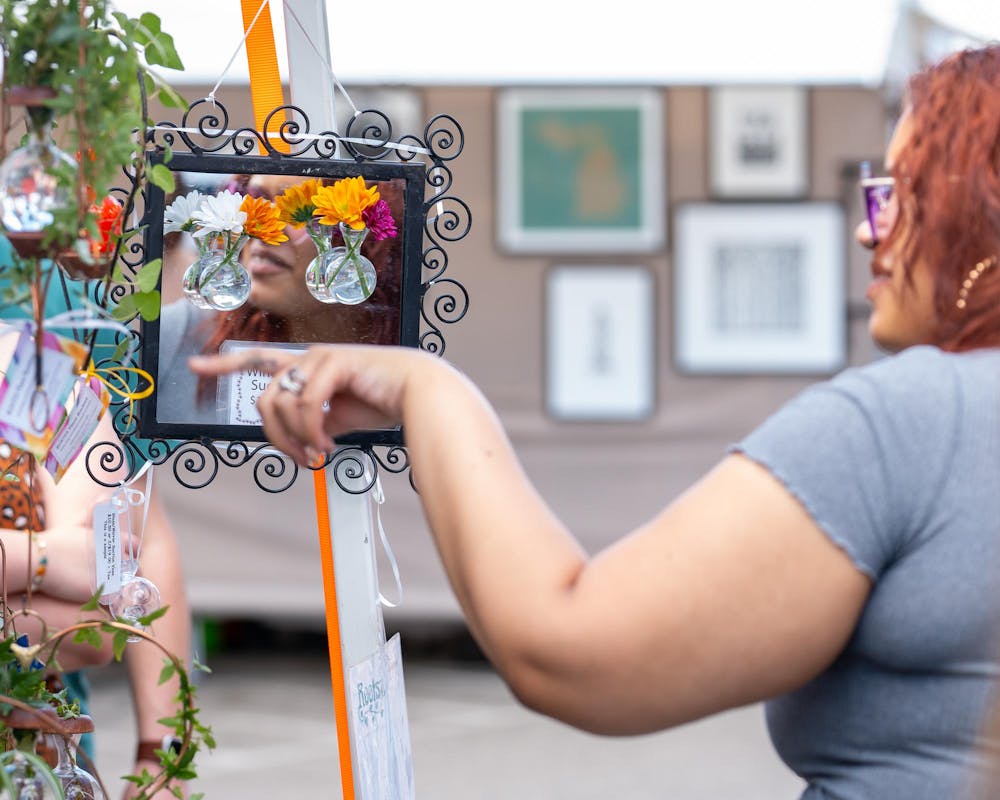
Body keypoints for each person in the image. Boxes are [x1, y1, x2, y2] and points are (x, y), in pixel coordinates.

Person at [192, 45, 1000, 800]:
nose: (868, 226)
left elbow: (566, 652)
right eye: (875, 190)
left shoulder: (910, 420)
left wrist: (431, 392)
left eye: (904, 195)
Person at [0, 248, 192, 799]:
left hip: (36, 761)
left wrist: (162, 757)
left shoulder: (41, 346)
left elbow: (97, 622)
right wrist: (44, 559)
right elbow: (76, 584)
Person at [155, 173, 403, 425]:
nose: (265, 229)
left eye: (301, 207)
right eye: (258, 199)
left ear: (364, 233)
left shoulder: (410, 381)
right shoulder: (170, 336)